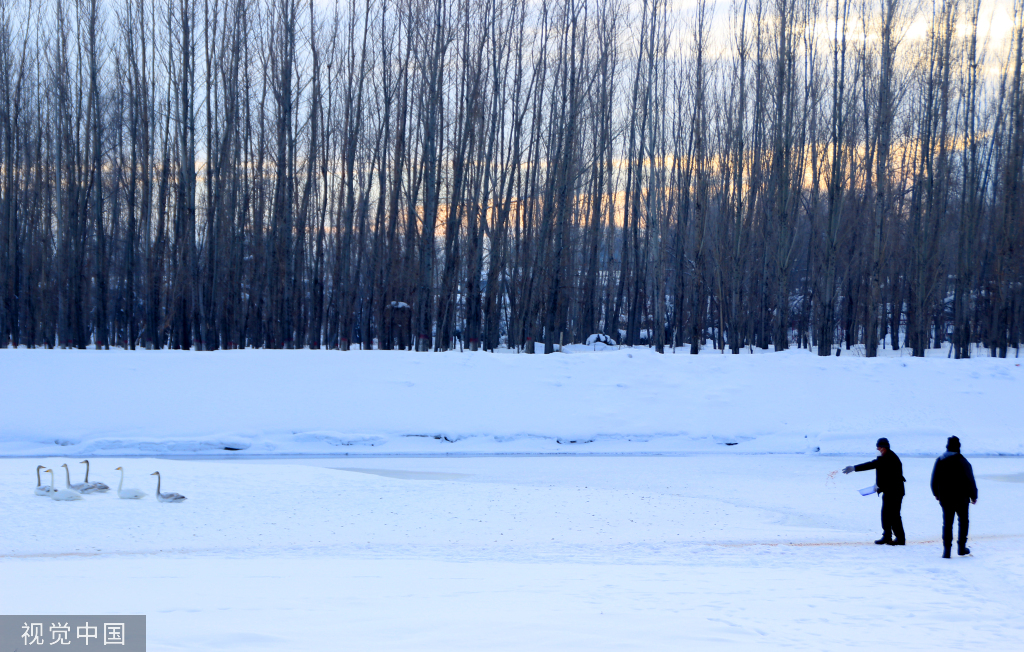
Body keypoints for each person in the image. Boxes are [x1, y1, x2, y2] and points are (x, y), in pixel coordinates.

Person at [843, 438, 906, 545]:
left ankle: (900, 538)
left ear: (883, 448)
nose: (877, 449)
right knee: (886, 514)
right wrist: (878, 485)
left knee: (894, 515)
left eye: (878, 447)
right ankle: (887, 536)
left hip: (895, 491)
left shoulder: (889, 458)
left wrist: (854, 468)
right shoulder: (885, 457)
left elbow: (873, 464)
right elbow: (884, 473)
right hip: (889, 490)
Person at [931, 436, 978, 558]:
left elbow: (933, 480)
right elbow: (970, 479)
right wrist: (974, 495)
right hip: (961, 498)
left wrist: (937, 494)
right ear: (958, 447)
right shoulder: (963, 461)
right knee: (963, 522)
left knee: (947, 523)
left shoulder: (940, 460)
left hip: (945, 498)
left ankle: (946, 551)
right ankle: (961, 548)